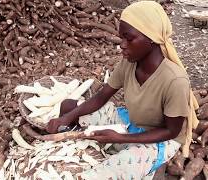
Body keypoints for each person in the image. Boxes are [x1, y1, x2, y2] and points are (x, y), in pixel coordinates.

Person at [46, 1, 199, 179]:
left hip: (159, 139)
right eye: (121, 38)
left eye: (129, 38)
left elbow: (171, 131)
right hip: (129, 122)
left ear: (151, 38)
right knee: (68, 106)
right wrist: (66, 118)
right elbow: (101, 97)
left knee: (109, 171)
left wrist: (119, 138)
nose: (122, 45)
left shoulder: (175, 80)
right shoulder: (129, 64)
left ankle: (121, 153)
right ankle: (93, 143)